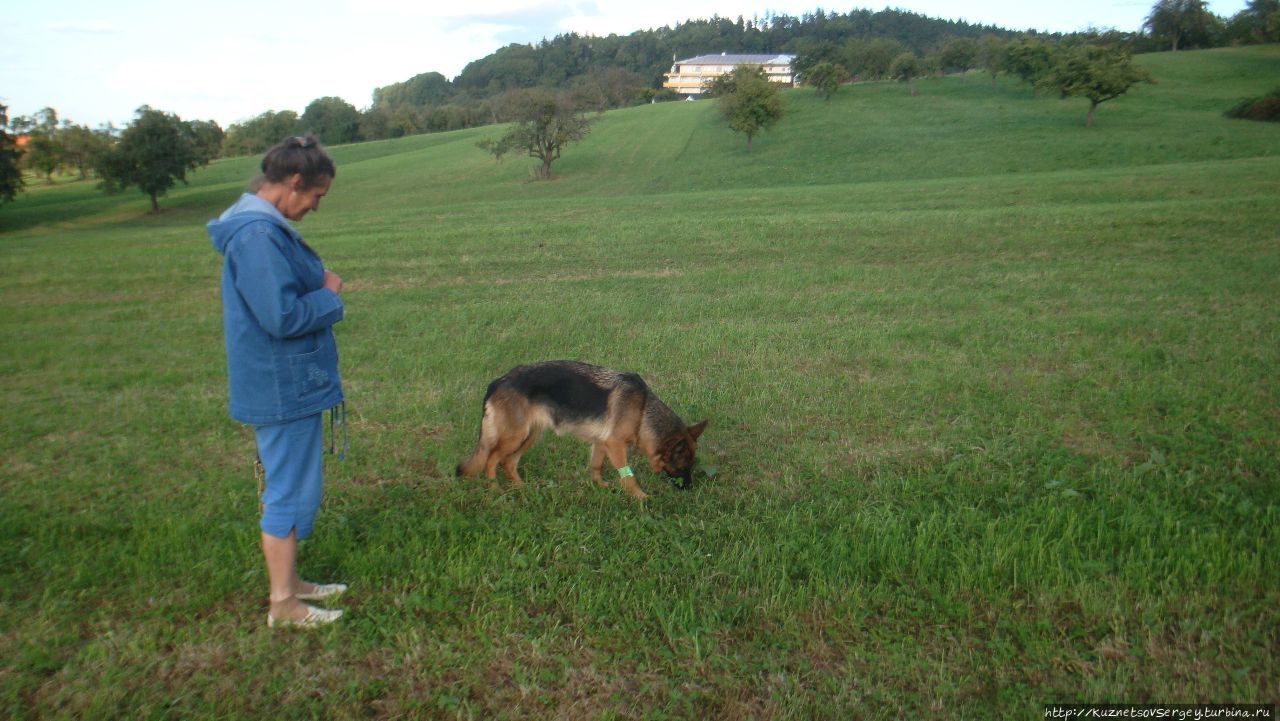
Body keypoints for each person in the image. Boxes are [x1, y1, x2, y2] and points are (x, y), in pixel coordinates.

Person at [208, 134, 348, 628]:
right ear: (293, 181)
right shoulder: (256, 237)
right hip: (280, 386)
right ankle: (283, 604)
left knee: (292, 485)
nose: (314, 205)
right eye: (316, 195)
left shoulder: (262, 230)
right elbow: (281, 316)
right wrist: (329, 293)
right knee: (287, 490)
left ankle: (292, 583)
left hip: (286, 382)